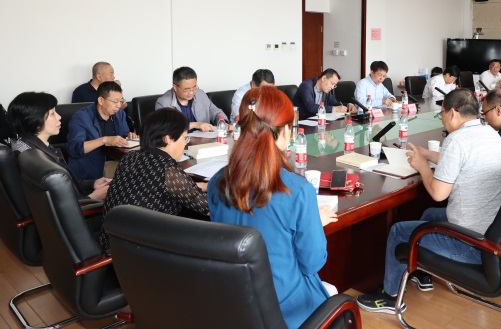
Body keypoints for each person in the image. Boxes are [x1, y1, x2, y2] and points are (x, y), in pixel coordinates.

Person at [358, 89, 501, 314]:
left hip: (470, 244)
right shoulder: (490, 132)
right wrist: (426, 155)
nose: (442, 119)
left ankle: (390, 297)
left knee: (398, 231)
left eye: (442, 114)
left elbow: (438, 193)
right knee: (429, 214)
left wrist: (422, 167)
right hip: (492, 230)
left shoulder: (456, 140)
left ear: (452, 113)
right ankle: (420, 269)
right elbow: (462, 160)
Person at [208, 86, 338, 329]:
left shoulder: (216, 183)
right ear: (286, 132)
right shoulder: (297, 190)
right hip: (285, 309)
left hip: (233, 302)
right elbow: (312, 263)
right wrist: (313, 223)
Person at [98, 108, 209, 249]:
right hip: (144, 250)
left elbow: (153, 186)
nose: (185, 143)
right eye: (184, 138)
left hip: (113, 242)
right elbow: (207, 208)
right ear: (168, 138)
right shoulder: (167, 169)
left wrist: (204, 186)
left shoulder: (130, 157)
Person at [8, 92, 110, 200]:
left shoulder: (32, 146)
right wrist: (93, 197)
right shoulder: (39, 160)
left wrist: (92, 184)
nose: (59, 117)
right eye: (52, 114)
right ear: (35, 120)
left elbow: (65, 188)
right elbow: (61, 205)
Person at [67, 81, 138, 181]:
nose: (119, 105)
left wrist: (129, 136)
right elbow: (74, 149)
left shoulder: (119, 113)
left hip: (116, 161)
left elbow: (123, 136)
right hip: (91, 168)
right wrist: (105, 140)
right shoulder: (81, 117)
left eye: (121, 101)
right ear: (101, 100)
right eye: (115, 101)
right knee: (134, 175)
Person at [156, 66, 229, 132]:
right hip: (180, 141)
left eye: (194, 87)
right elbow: (165, 127)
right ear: (175, 87)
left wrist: (223, 122)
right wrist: (195, 125)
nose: (191, 92)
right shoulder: (163, 103)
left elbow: (214, 111)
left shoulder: (200, 94)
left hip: (204, 139)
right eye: (187, 89)